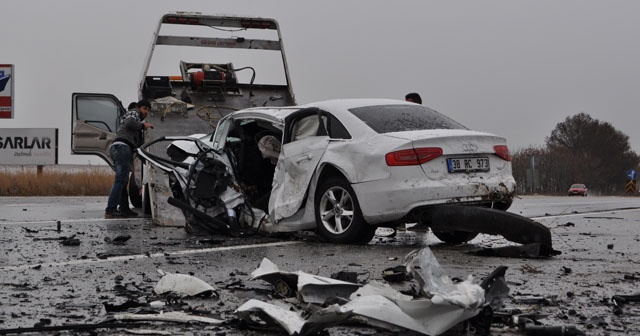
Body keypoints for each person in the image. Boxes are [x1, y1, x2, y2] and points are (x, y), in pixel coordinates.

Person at [105, 100, 154, 218]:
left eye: (147, 110)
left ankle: (124, 209)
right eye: (144, 109)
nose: (146, 112)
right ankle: (110, 210)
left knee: (123, 181)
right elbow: (129, 123)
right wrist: (143, 125)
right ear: (138, 107)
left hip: (120, 148)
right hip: (122, 147)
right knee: (120, 181)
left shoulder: (136, 119)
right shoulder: (134, 113)